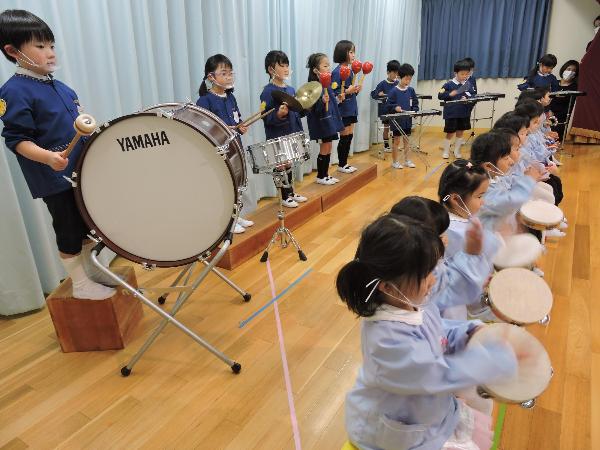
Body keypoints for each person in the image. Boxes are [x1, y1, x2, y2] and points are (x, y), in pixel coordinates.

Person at [337, 214, 518, 450]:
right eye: (426, 275)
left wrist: (469, 332)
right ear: (388, 287)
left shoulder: (413, 301)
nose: (434, 281)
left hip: (427, 412)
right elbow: (433, 375)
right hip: (394, 433)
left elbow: (438, 332)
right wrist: (490, 361)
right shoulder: (385, 340)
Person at [0, 9, 116, 300]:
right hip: (54, 178)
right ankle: (79, 284)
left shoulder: (61, 87)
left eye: (51, 45)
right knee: (68, 230)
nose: (50, 53)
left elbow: (78, 124)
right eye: (40, 47)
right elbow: (16, 139)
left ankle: (91, 269)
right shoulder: (13, 92)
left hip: (79, 171)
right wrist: (48, 157)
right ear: (13, 51)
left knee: (89, 226)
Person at [196, 54, 254, 233]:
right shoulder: (204, 101)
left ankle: (236, 216)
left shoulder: (230, 97)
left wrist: (241, 126)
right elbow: (204, 128)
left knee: (238, 183)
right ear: (211, 77)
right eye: (224, 73)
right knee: (225, 185)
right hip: (219, 151)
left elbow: (237, 118)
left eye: (230, 73)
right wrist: (225, 128)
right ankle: (228, 222)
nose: (229, 77)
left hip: (236, 146)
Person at [259, 50, 308, 207]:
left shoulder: (291, 89)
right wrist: (278, 115)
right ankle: (283, 195)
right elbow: (265, 117)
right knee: (280, 164)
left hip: (291, 133)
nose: (286, 69)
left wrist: (306, 107)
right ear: (271, 69)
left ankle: (291, 192)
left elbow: (297, 113)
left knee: (289, 164)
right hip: (277, 134)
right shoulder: (267, 91)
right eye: (282, 65)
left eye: (287, 65)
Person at [306, 52, 344, 185]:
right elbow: (311, 109)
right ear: (315, 70)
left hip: (330, 121)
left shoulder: (326, 84)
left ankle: (326, 174)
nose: (328, 68)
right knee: (324, 147)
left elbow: (331, 103)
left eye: (329, 65)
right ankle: (320, 176)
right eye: (325, 65)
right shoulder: (312, 87)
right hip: (321, 123)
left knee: (329, 147)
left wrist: (338, 99)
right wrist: (322, 101)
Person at [331, 39, 360, 174]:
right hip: (343, 110)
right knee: (344, 136)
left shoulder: (350, 71)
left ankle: (345, 163)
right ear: (343, 53)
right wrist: (348, 91)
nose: (353, 55)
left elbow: (349, 91)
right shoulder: (337, 72)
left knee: (349, 135)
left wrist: (356, 90)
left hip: (351, 108)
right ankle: (341, 164)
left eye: (354, 52)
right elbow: (335, 93)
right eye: (351, 52)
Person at [438, 59, 476, 159]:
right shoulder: (448, 84)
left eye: (466, 74)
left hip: (463, 113)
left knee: (460, 132)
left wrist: (467, 98)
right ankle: (446, 151)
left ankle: (457, 151)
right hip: (451, 113)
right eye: (462, 74)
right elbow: (440, 95)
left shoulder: (468, 85)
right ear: (456, 73)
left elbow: (473, 95)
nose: (464, 76)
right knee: (450, 133)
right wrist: (450, 94)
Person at [385, 63, 418, 169]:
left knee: (407, 140)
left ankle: (407, 160)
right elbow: (388, 105)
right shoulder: (393, 91)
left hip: (407, 120)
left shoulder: (411, 90)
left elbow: (415, 103)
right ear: (399, 77)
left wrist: (415, 110)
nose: (408, 81)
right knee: (396, 141)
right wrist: (395, 108)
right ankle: (395, 162)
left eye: (410, 79)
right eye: (406, 79)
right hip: (397, 121)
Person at [370, 60, 400, 153]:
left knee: (396, 128)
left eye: (397, 73)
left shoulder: (397, 83)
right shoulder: (382, 84)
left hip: (395, 109)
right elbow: (373, 94)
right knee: (386, 127)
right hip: (385, 110)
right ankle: (386, 146)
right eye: (394, 72)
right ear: (388, 72)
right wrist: (379, 94)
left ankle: (395, 145)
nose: (395, 75)